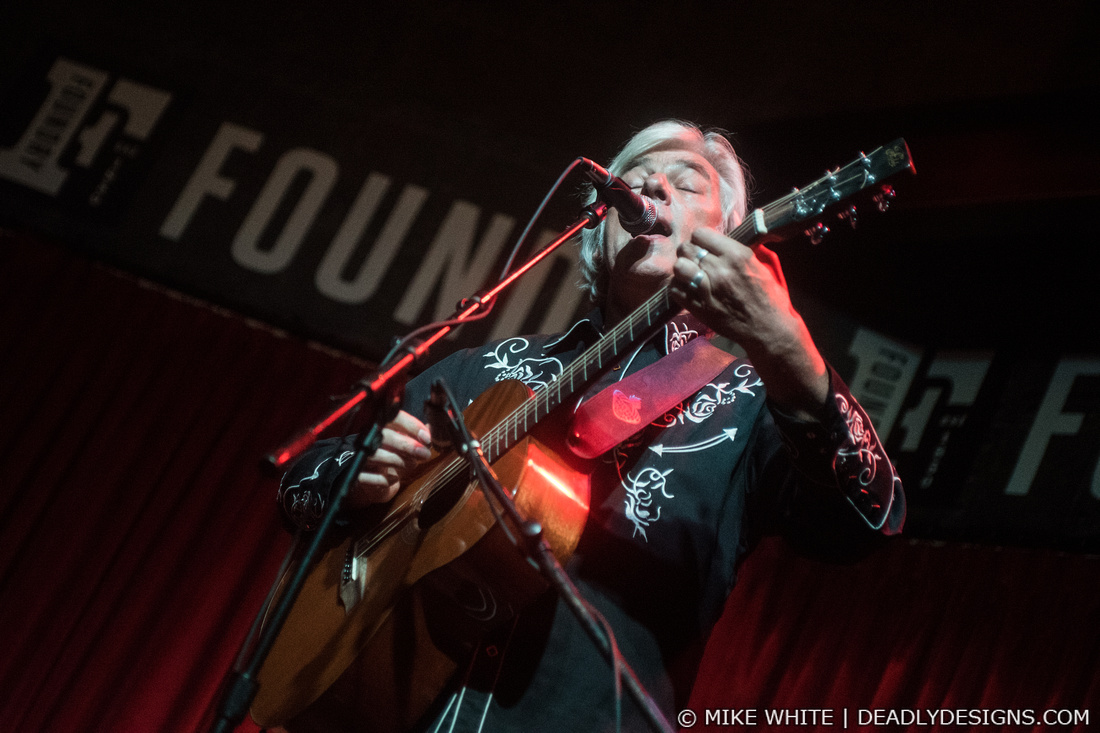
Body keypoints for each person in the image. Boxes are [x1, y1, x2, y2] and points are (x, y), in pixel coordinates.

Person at [275, 119, 905, 732]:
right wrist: (355, 476)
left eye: (687, 184)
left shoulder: (747, 401)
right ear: (599, 222)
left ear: (729, 236)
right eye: (633, 180)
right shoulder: (486, 366)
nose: (652, 189)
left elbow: (865, 521)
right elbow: (297, 487)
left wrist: (788, 348)